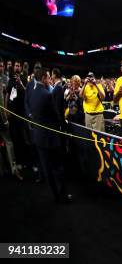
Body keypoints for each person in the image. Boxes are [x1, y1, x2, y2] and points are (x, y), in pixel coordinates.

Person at [28, 68, 72, 203]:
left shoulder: (33, 92)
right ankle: (63, 196)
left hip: (38, 137)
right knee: (58, 167)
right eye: (47, 78)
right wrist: (62, 123)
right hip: (50, 138)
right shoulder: (47, 94)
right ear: (43, 79)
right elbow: (56, 116)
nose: (49, 80)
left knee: (46, 168)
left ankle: (55, 196)